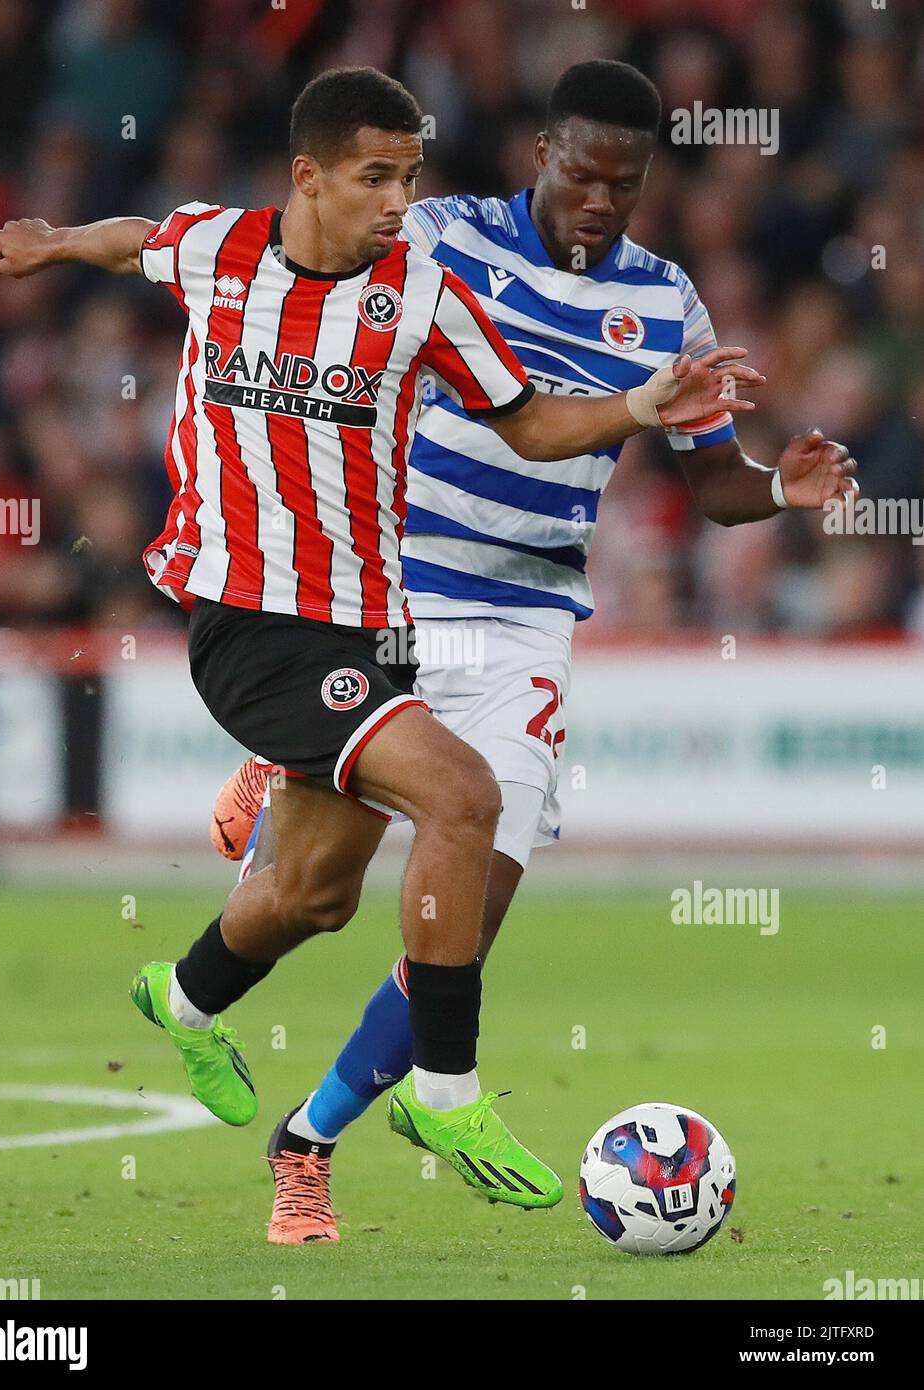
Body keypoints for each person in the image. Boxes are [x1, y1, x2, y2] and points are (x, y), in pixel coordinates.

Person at [0, 65, 763, 1218]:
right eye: (376, 177)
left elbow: (534, 424)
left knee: (316, 894)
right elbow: (137, 237)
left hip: (372, 628)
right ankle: (445, 1087)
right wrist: (49, 237)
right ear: (310, 177)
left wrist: (644, 407)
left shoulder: (424, 298)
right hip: (249, 623)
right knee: (459, 796)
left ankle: (181, 999)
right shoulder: (221, 250)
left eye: (412, 177)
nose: (400, 200)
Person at [206, 62, 856, 1244]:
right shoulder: (435, 234)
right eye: (583, 173)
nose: (602, 200)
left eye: (628, 182)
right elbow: (300, 294)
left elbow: (711, 484)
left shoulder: (667, 303)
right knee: (306, 898)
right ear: (540, 150)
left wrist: (778, 487)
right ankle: (275, 778)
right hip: (389, 588)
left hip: (526, 621)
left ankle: (307, 1140)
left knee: (467, 915)